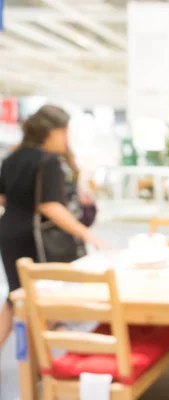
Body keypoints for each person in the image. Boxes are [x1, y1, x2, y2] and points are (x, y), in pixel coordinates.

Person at [0, 105, 107, 353]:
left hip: (8, 232)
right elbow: (51, 207)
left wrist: (22, 204)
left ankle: (41, 362)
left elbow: (3, 197)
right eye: (65, 132)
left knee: (16, 296)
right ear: (52, 132)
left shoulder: (12, 157)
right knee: (40, 298)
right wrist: (87, 234)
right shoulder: (48, 161)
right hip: (35, 238)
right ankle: (46, 366)